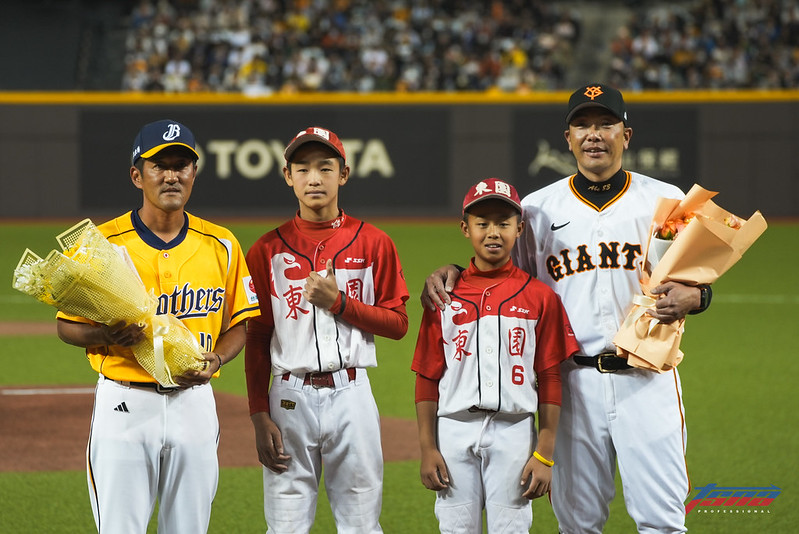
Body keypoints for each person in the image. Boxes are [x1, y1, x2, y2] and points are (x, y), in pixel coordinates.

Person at [423, 84, 712, 533]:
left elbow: (697, 275)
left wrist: (699, 298)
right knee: (577, 524)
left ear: (626, 135)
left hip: (648, 378)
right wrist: (456, 271)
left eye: (605, 124)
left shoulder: (665, 199)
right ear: (568, 138)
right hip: (571, 386)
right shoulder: (538, 208)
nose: (593, 134)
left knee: (662, 520)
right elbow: (503, 277)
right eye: (583, 125)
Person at [56, 119, 261, 533]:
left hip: (195, 404)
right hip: (125, 404)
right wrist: (104, 336)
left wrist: (218, 357)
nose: (172, 175)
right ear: (137, 175)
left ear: (194, 173)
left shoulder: (221, 243)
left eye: (182, 165)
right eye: (159, 165)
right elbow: (66, 325)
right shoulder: (101, 244)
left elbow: (241, 323)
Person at [244, 126, 409, 533]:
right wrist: (257, 413)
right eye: (302, 169)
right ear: (288, 176)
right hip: (288, 398)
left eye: (325, 168)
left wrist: (339, 304)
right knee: (284, 527)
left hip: (352, 395)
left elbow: (398, 324)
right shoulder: (265, 250)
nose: (314, 178)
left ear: (344, 174)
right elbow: (258, 337)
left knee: (361, 525)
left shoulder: (375, 242)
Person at [412, 178, 579, 533]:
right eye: (482, 222)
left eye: (503, 223)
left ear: (519, 229)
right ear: (465, 228)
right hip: (453, 429)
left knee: (512, 529)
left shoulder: (539, 297)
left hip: (515, 431)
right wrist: (427, 448)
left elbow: (550, 376)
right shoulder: (443, 296)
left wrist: (545, 452)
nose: (493, 232)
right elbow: (427, 376)